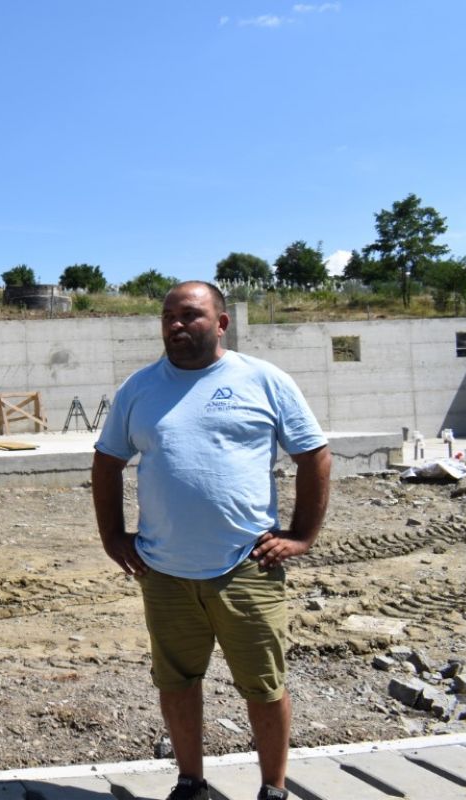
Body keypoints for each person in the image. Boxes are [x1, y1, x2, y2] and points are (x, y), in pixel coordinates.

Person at [91, 281, 331, 800]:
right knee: (176, 683)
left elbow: (314, 454)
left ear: (221, 323)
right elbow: (106, 461)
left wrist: (302, 535)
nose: (176, 325)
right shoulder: (139, 388)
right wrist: (112, 537)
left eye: (190, 315)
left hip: (247, 566)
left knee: (264, 685)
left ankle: (273, 788)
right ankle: (190, 782)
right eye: (168, 316)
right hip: (164, 572)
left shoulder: (262, 380)